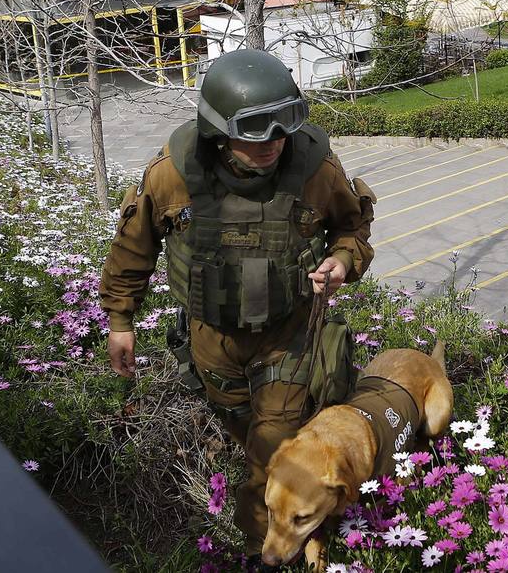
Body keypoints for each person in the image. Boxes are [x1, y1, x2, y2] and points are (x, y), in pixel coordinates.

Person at [100, 48, 375, 563]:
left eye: (284, 123)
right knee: (246, 432)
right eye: (253, 129)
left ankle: (262, 548)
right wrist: (120, 319)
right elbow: (134, 247)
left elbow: (352, 226)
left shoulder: (315, 168)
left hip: (288, 333)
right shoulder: (173, 173)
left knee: (272, 446)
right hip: (212, 338)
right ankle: (292, 507)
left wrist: (342, 259)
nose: (272, 141)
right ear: (218, 130)